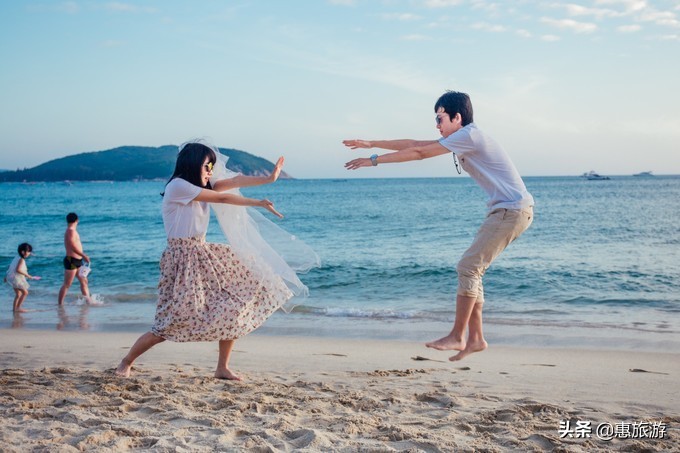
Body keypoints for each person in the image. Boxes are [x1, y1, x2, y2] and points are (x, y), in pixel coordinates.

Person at [344, 90, 534, 362]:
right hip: (505, 211)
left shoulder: (470, 136)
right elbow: (414, 143)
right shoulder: (463, 137)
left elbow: (419, 152)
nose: (437, 124)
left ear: (458, 117)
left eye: (440, 117)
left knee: (468, 267)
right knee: (472, 269)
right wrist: (371, 143)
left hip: (511, 211)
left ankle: (458, 336)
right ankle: (476, 339)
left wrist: (373, 160)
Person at [116, 141, 316, 380]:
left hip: (203, 253)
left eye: (212, 166)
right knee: (169, 323)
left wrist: (270, 179)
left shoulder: (200, 185)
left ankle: (222, 367)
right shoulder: (178, 186)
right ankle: (126, 362)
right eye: (206, 166)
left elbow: (234, 182)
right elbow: (221, 199)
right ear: (192, 165)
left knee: (234, 304)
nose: (210, 171)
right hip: (183, 261)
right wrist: (257, 202)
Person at [58, 212, 92, 305]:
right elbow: (72, 246)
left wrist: (82, 257)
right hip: (71, 260)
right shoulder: (70, 231)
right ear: (77, 220)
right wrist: (84, 255)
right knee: (67, 284)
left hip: (78, 261)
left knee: (84, 281)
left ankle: (88, 301)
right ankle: (60, 304)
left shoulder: (72, 230)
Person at [5, 243, 39, 312]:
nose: (29, 253)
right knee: (25, 293)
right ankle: (18, 308)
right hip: (16, 279)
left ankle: (15, 309)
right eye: (28, 251)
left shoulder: (17, 257)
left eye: (30, 251)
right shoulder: (21, 260)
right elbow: (18, 269)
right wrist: (28, 275)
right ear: (23, 252)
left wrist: (6, 276)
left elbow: (11, 266)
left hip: (12, 277)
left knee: (18, 294)